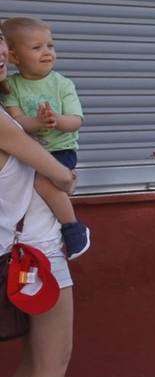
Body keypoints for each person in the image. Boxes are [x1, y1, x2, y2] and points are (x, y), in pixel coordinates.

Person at [0, 32, 97, 377]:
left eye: (0, 55)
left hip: (12, 252)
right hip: (38, 256)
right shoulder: (2, 122)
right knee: (50, 368)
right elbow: (61, 175)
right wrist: (62, 174)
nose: (1, 63)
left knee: (31, 366)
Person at [2, 17, 91, 258]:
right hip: (31, 155)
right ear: (14, 57)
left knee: (43, 181)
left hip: (60, 150)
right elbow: (16, 121)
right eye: (36, 47)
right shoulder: (11, 86)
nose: (47, 52)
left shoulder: (62, 84)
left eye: (50, 45)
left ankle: (74, 228)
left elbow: (76, 121)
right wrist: (38, 123)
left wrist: (57, 120)